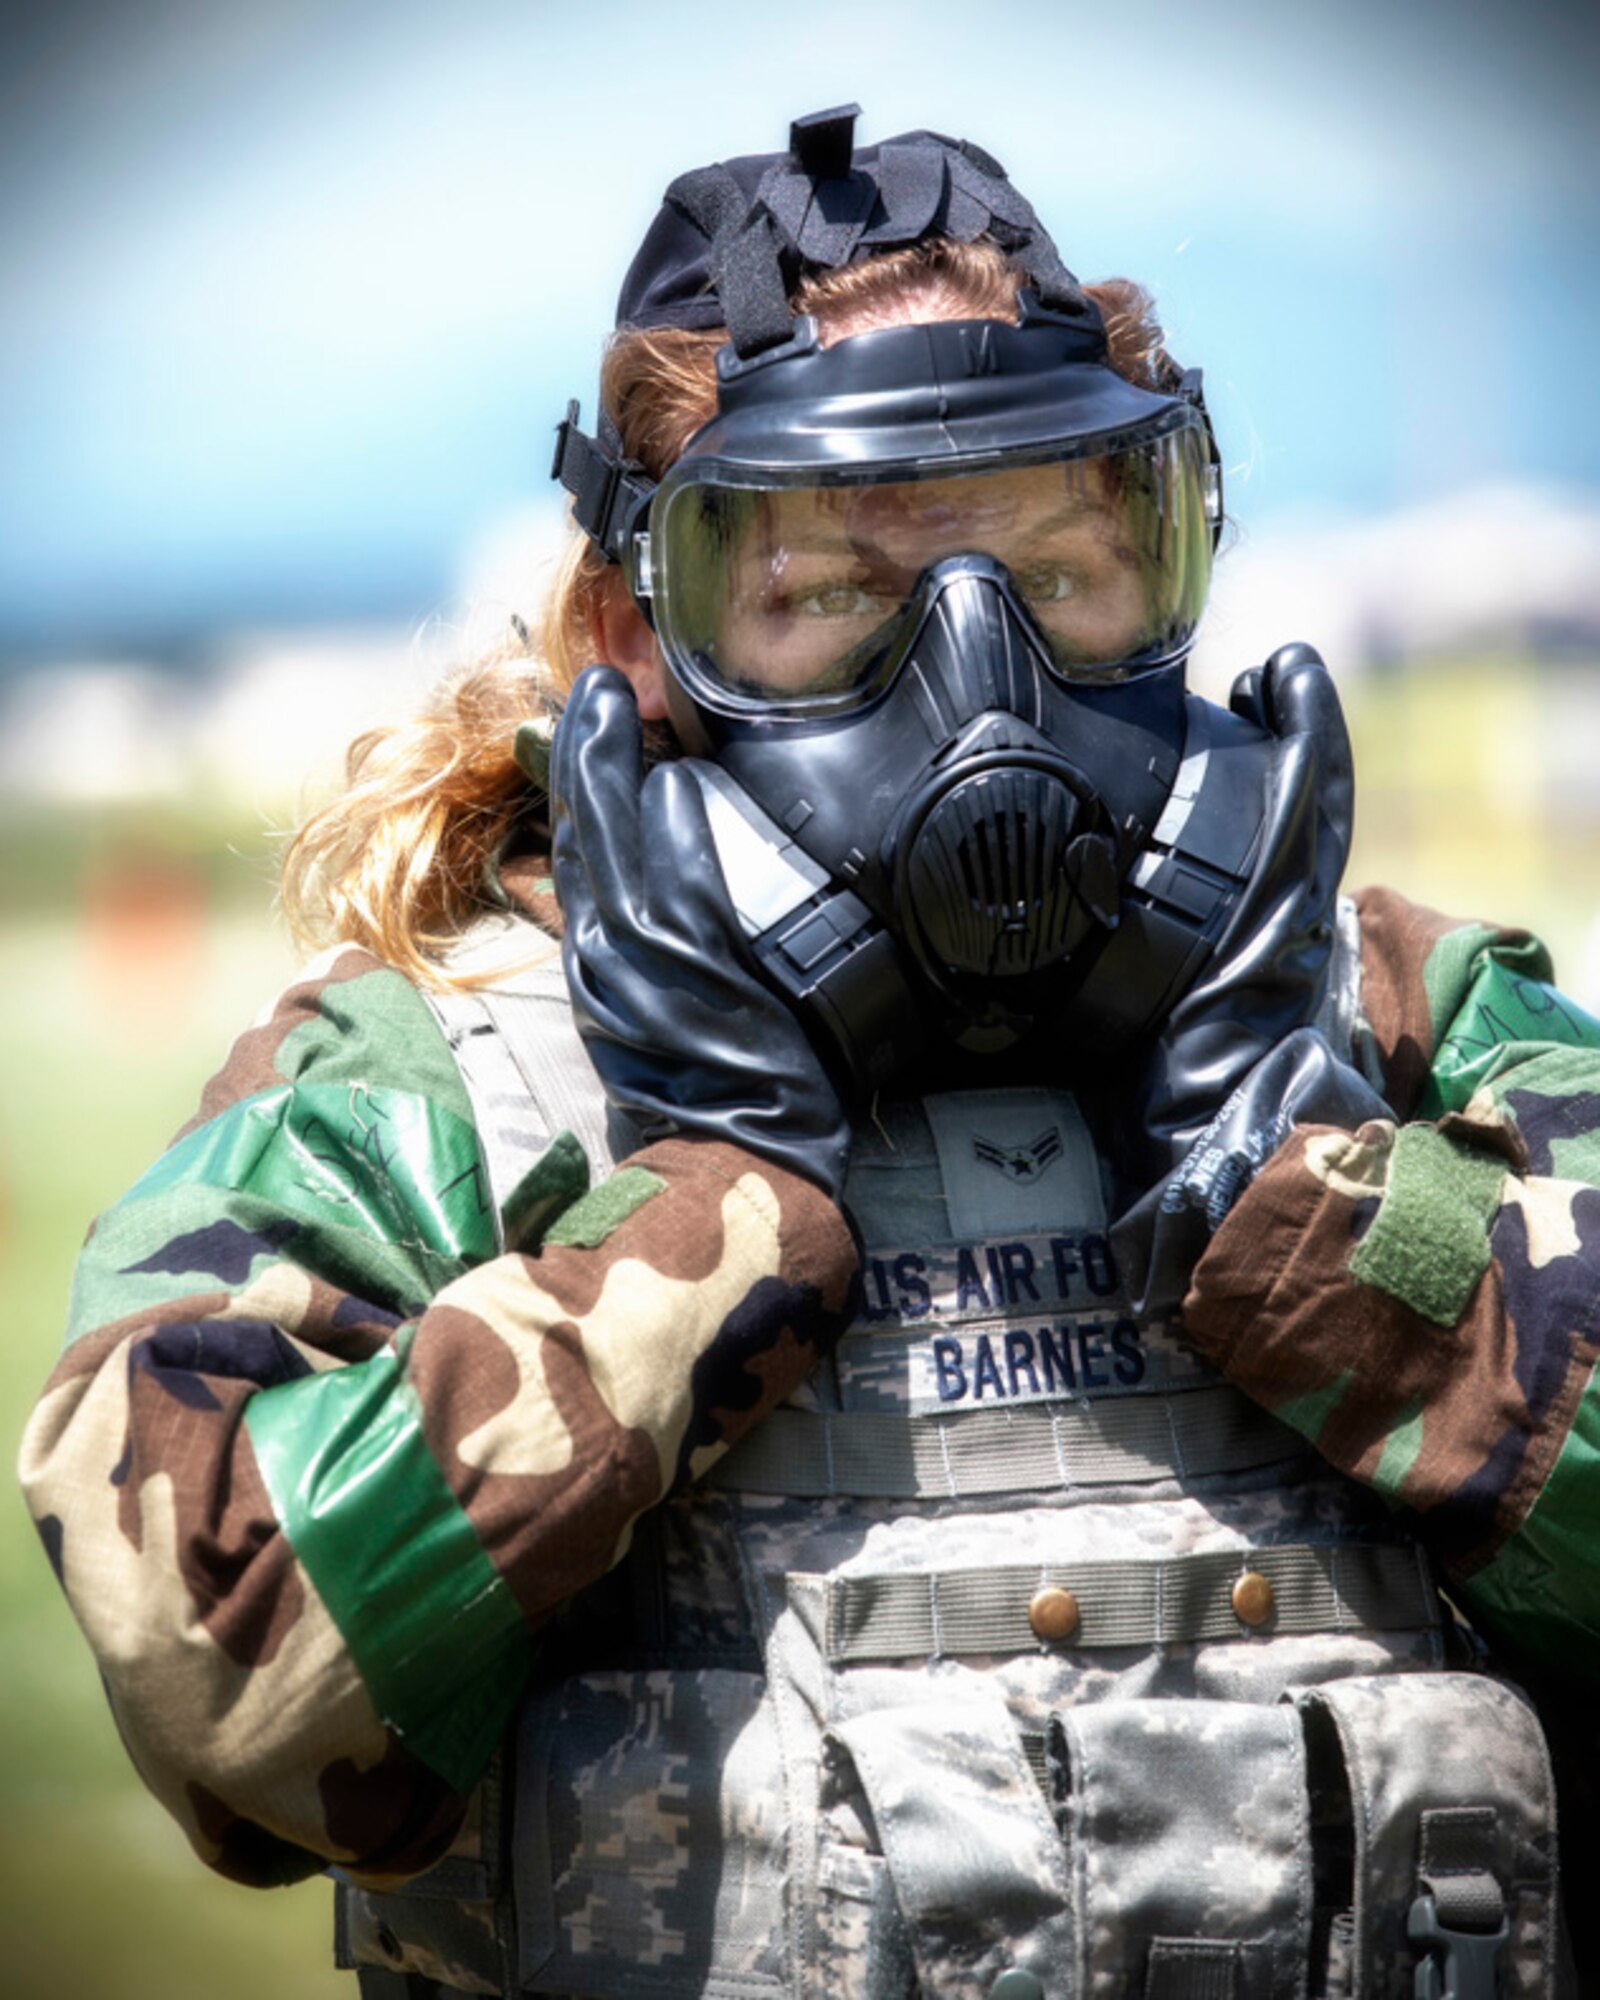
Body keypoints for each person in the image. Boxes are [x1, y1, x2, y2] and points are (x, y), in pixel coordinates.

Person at [20, 104, 1600, 2000]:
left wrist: (1307, 1195)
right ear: (634, 638)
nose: (979, 689)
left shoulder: (1398, 1021)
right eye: (833, 597)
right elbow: (222, 1688)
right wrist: (699, 1228)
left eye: (1061, 567)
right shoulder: (447, 1083)